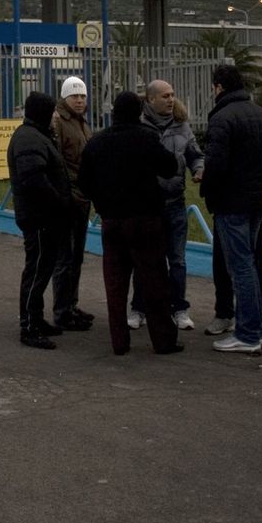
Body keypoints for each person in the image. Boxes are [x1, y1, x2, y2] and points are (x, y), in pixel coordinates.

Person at [79, 90, 182, 355]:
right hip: (146, 220)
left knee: (115, 284)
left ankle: (119, 342)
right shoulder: (146, 138)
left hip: (112, 221)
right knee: (154, 281)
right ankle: (163, 341)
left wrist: (103, 203)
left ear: (114, 113)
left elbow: (84, 184)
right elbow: (169, 167)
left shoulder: (97, 143)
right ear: (139, 112)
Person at [200, 64, 262, 355]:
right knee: (256, 263)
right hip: (258, 202)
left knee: (241, 266)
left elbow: (216, 166)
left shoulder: (221, 119)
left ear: (218, 87)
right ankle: (259, 324)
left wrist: (207, 190)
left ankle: (248, 334)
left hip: (231, 203)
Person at [133, 79, 205, 332]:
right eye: (165, 96)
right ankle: (139, 308)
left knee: (177, 259)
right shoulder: (140, 127)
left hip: (175, 203)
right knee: (144, 260)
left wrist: (199, 169)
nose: (171, 99)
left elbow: (195, 154)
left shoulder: (182, 127)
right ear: (151, 100)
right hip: (148, 205)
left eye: (172, 95)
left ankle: (180, 308)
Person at [7, 90, 76, 350]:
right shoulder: (28, 139)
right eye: (52, 112)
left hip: (44, 216)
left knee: (43, 268)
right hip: (39, 218)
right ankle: (29, 326)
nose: (56, 116)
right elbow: (34, 179)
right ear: (44, 113)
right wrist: (60, 202)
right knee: (36, 271)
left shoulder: (36, 135)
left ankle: (36, 318)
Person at [50, 75, 95, 331]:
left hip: (82, 197)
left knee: (76, 256)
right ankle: (61, 311)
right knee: (64, 258)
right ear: (65, 98)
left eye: (82, 96)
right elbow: (57, 163)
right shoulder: (58, 122)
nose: (79, 100)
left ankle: (71, 304)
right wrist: (66, 194)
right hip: (68, 199)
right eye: (75, 96)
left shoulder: (81, 122)